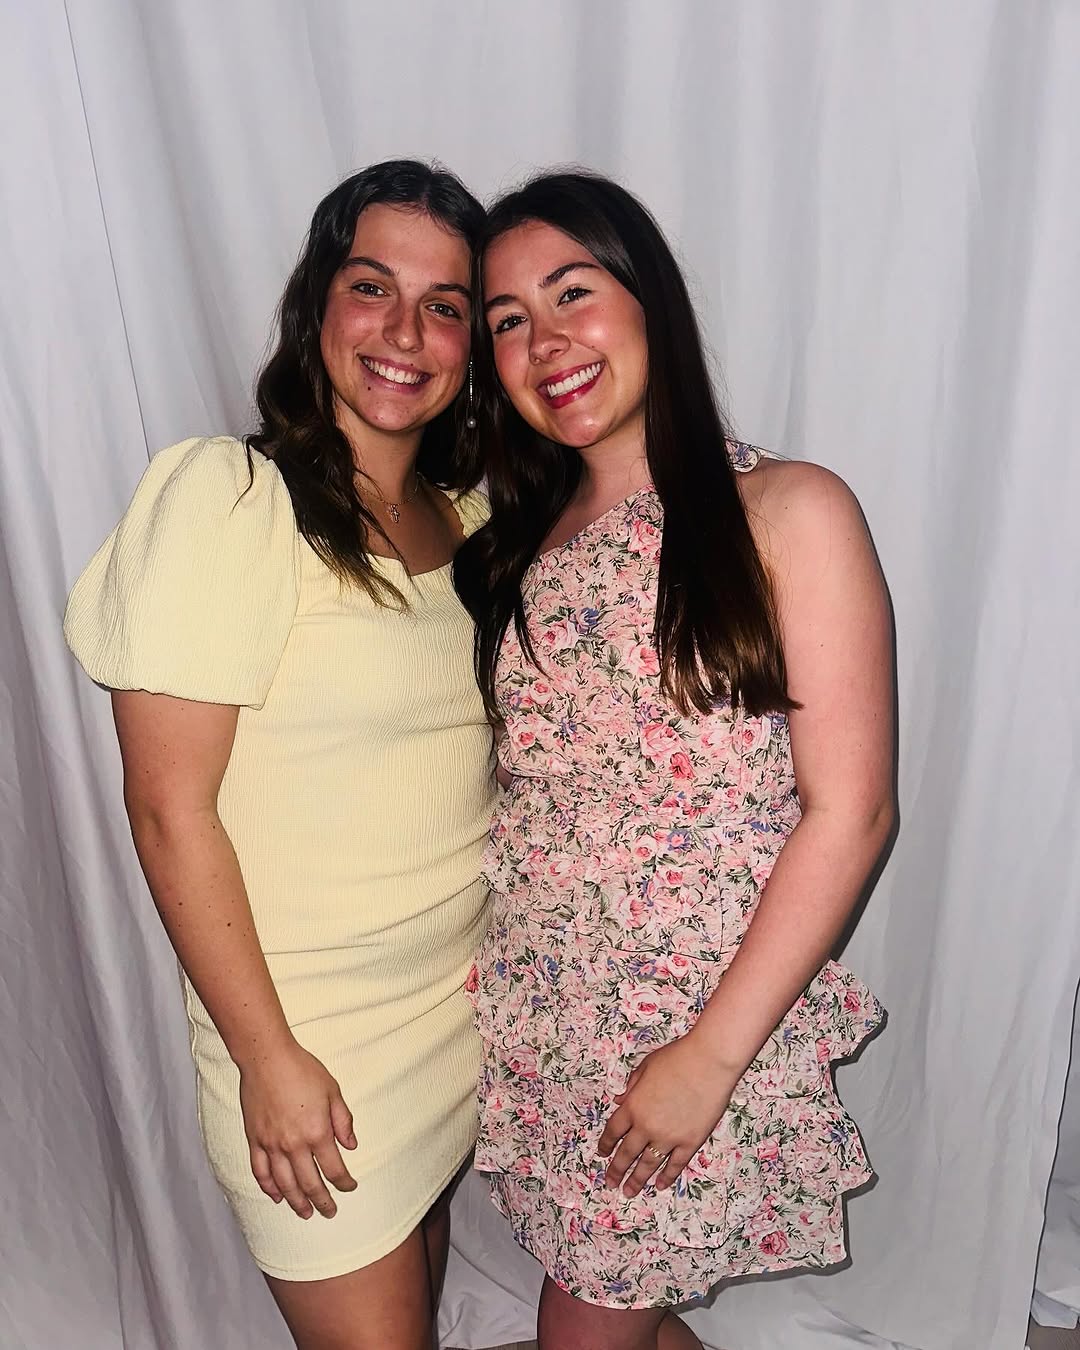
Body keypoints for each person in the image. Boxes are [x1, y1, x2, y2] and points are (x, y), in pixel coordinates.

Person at [452, 170, 895, 1350]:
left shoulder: (789, 511)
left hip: (696, 1017)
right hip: (552, 1011)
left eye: (573, 294)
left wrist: (710, 1056)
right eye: (508, 322)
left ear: (650, 301)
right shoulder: (511, 549)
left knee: (588, 1318)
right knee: (609, 1299)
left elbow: (852, 812)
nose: (546, 342)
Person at [64, 160, 495, 1350]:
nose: (404, 331)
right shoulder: (229, 501)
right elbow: (169, 811)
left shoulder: (470, 520)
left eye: (445, 305)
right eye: (372, 287)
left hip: (451, 1013)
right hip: (314, 1038)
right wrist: (266, 1058)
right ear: (317, 305)